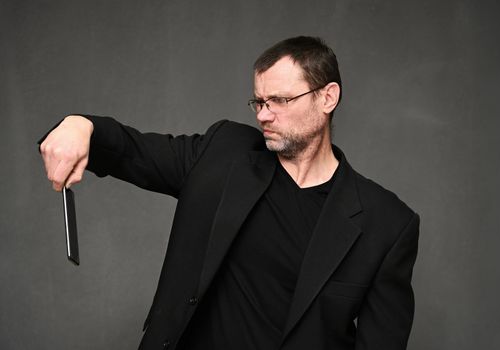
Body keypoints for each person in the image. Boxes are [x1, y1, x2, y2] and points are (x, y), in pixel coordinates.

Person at [39, 36, 419, 350]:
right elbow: (131, 150)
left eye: (280, 101)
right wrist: (79, 125)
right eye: (259, 101)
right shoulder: (225, 152)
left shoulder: (386, 223)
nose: (264, 115)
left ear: (327, 97)